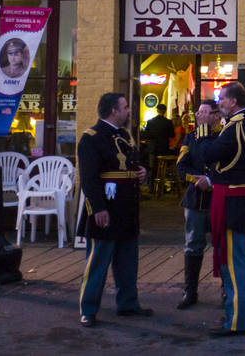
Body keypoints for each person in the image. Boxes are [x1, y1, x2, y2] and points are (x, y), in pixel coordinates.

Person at [197, 81, 245, 337]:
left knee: (235, 262)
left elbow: (208, 154)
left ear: (234, 102)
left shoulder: (235, 127)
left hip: (232, 201)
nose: (220, 105)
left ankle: (237, 319)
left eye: (223, 100)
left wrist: (203, 128)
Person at [77, 92, 152, 327]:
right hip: (106, 208)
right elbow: (89, 178)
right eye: (125, 107)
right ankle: (88, 309)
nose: (129, 111)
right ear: (113, 111)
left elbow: (132, 163)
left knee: (128, 260)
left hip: (126, 208)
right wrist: (97, 208)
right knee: (98, 261)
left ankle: (128, 303)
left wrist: (142, 172)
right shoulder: (92, 137)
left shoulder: (125, 136)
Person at [174, 99, 221, 309]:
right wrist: (198, 180)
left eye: (205, 113)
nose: (200, 116)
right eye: (198, 112)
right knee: (193, 245)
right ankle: (190, 290)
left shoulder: (224, 136)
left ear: (216, 115)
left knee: (222, 245)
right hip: (196, 198)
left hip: (219, 197)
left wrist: (211, 181)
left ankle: (227, 292)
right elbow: (181, 167)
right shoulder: (190, 138)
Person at [142, 103, 174, 173]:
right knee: (163, 165)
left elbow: (146, 135)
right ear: (165, 111)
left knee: (153, 165)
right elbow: (172, 135)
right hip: (164, 147)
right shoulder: (168, 122)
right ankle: (162, 179)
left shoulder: (150, 121)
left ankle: (152, 181)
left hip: (153, 147)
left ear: (157, 110)